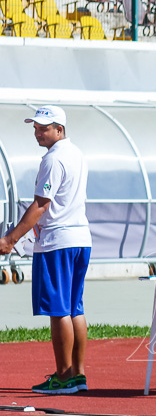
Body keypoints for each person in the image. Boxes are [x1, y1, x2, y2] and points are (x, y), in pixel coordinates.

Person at [0, 105, 91, 395]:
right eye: (36, 127)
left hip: (57, 242)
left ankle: (63, 378)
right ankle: (78, 375)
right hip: (80, 238)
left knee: (58, 310)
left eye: (44, 127)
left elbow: (41, 204)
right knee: (75, 308)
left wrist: (11, 239)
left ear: (59, 130)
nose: (38, 132)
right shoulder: (76, 153)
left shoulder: (53, 159)